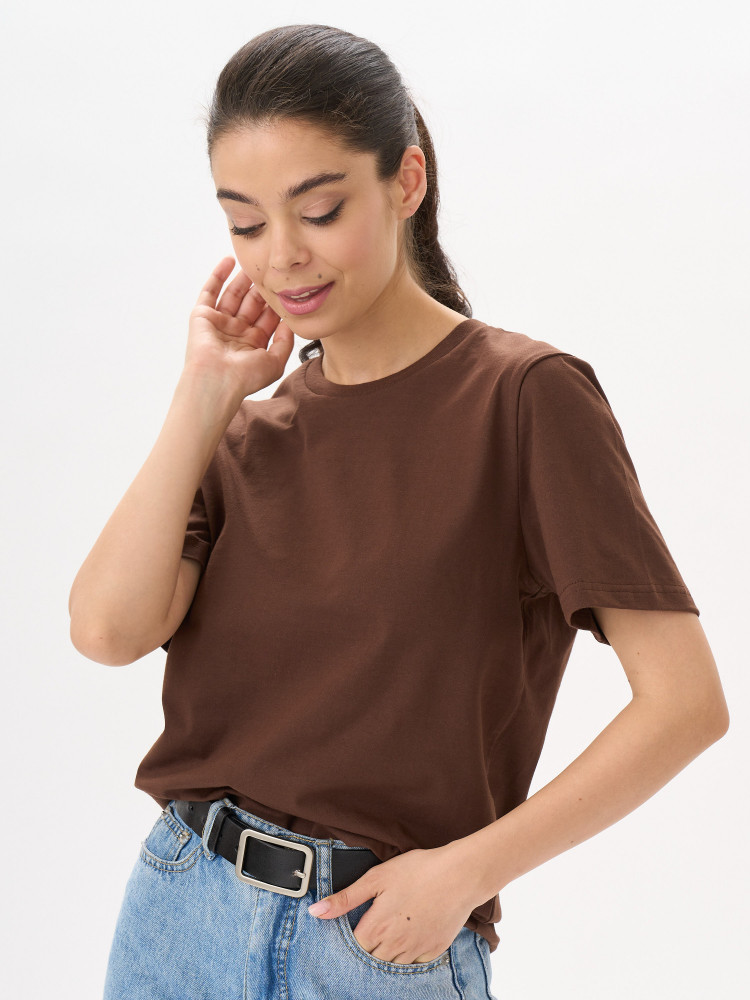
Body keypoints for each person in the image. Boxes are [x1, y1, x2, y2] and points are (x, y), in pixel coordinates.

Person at [68, 23, 729, 1000]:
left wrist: (465, 874)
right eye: (246, 223)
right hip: (181, 915)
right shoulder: (246, 432)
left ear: (405, 180)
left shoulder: (524, 399)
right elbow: (105, 631)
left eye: (319, 209)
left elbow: (685, 703)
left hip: (378, 945)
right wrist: (203, 395)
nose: (282, 256)